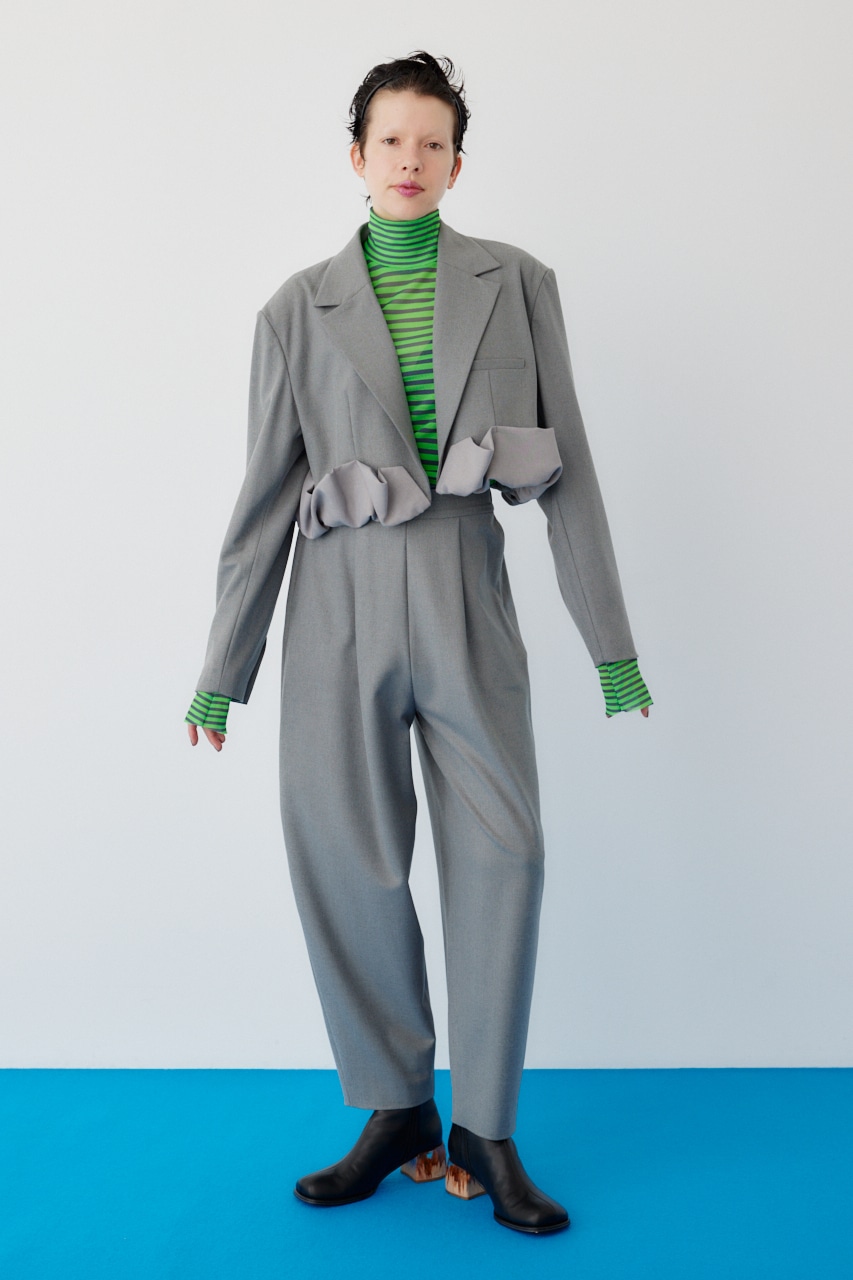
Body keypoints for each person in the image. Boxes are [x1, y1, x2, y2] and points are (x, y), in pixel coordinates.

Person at [185, 51, 652, 1236]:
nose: (409, 159)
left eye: (431, 142)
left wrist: (611, 648)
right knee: (346, 856)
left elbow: (569, 471)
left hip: (463, 580)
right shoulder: (294, 308)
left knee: (507, 851)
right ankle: (395, 1109)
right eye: (389, 139)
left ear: (455, 163)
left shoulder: (518, 282)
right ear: (357, 156)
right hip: (335, 600)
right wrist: (222, 672)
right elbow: (262, 498)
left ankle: (486, 1127)